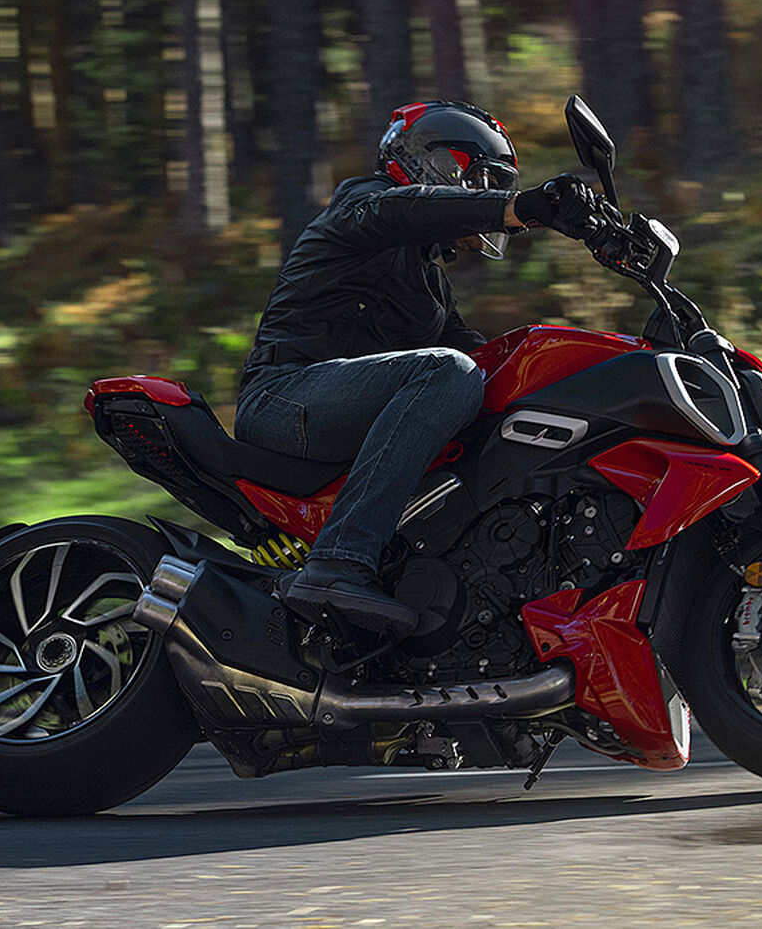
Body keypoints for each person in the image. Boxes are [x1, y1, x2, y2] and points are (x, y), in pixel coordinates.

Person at [235, 100, 597, 638]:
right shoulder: (362, 203)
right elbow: (405, 211)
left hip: (336, 412)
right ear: (436, 163)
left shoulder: (429, 285)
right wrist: (522, 206)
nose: (483, 192)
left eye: (493, 186)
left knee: (498, 388)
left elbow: (484, 360)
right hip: (284, 398)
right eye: (479, 180)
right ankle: (338, 561)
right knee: (449, 374)